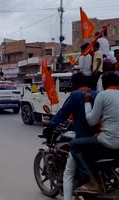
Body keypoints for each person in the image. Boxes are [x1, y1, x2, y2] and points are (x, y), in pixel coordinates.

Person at [70, 72, 119, 189]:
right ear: (118, 83)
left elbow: (91, 121)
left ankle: (87, 177)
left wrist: (87, 103)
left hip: (110, 141)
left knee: (74, 145)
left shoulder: (102, 95)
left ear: (103, 83)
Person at [44, 72, 98, 200]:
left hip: (82, 139)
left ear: (74, 83)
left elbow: (63, 113)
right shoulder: (96, 94)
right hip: (98, 139)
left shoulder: (76, 95)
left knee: (68, 172)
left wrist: (50, 124)